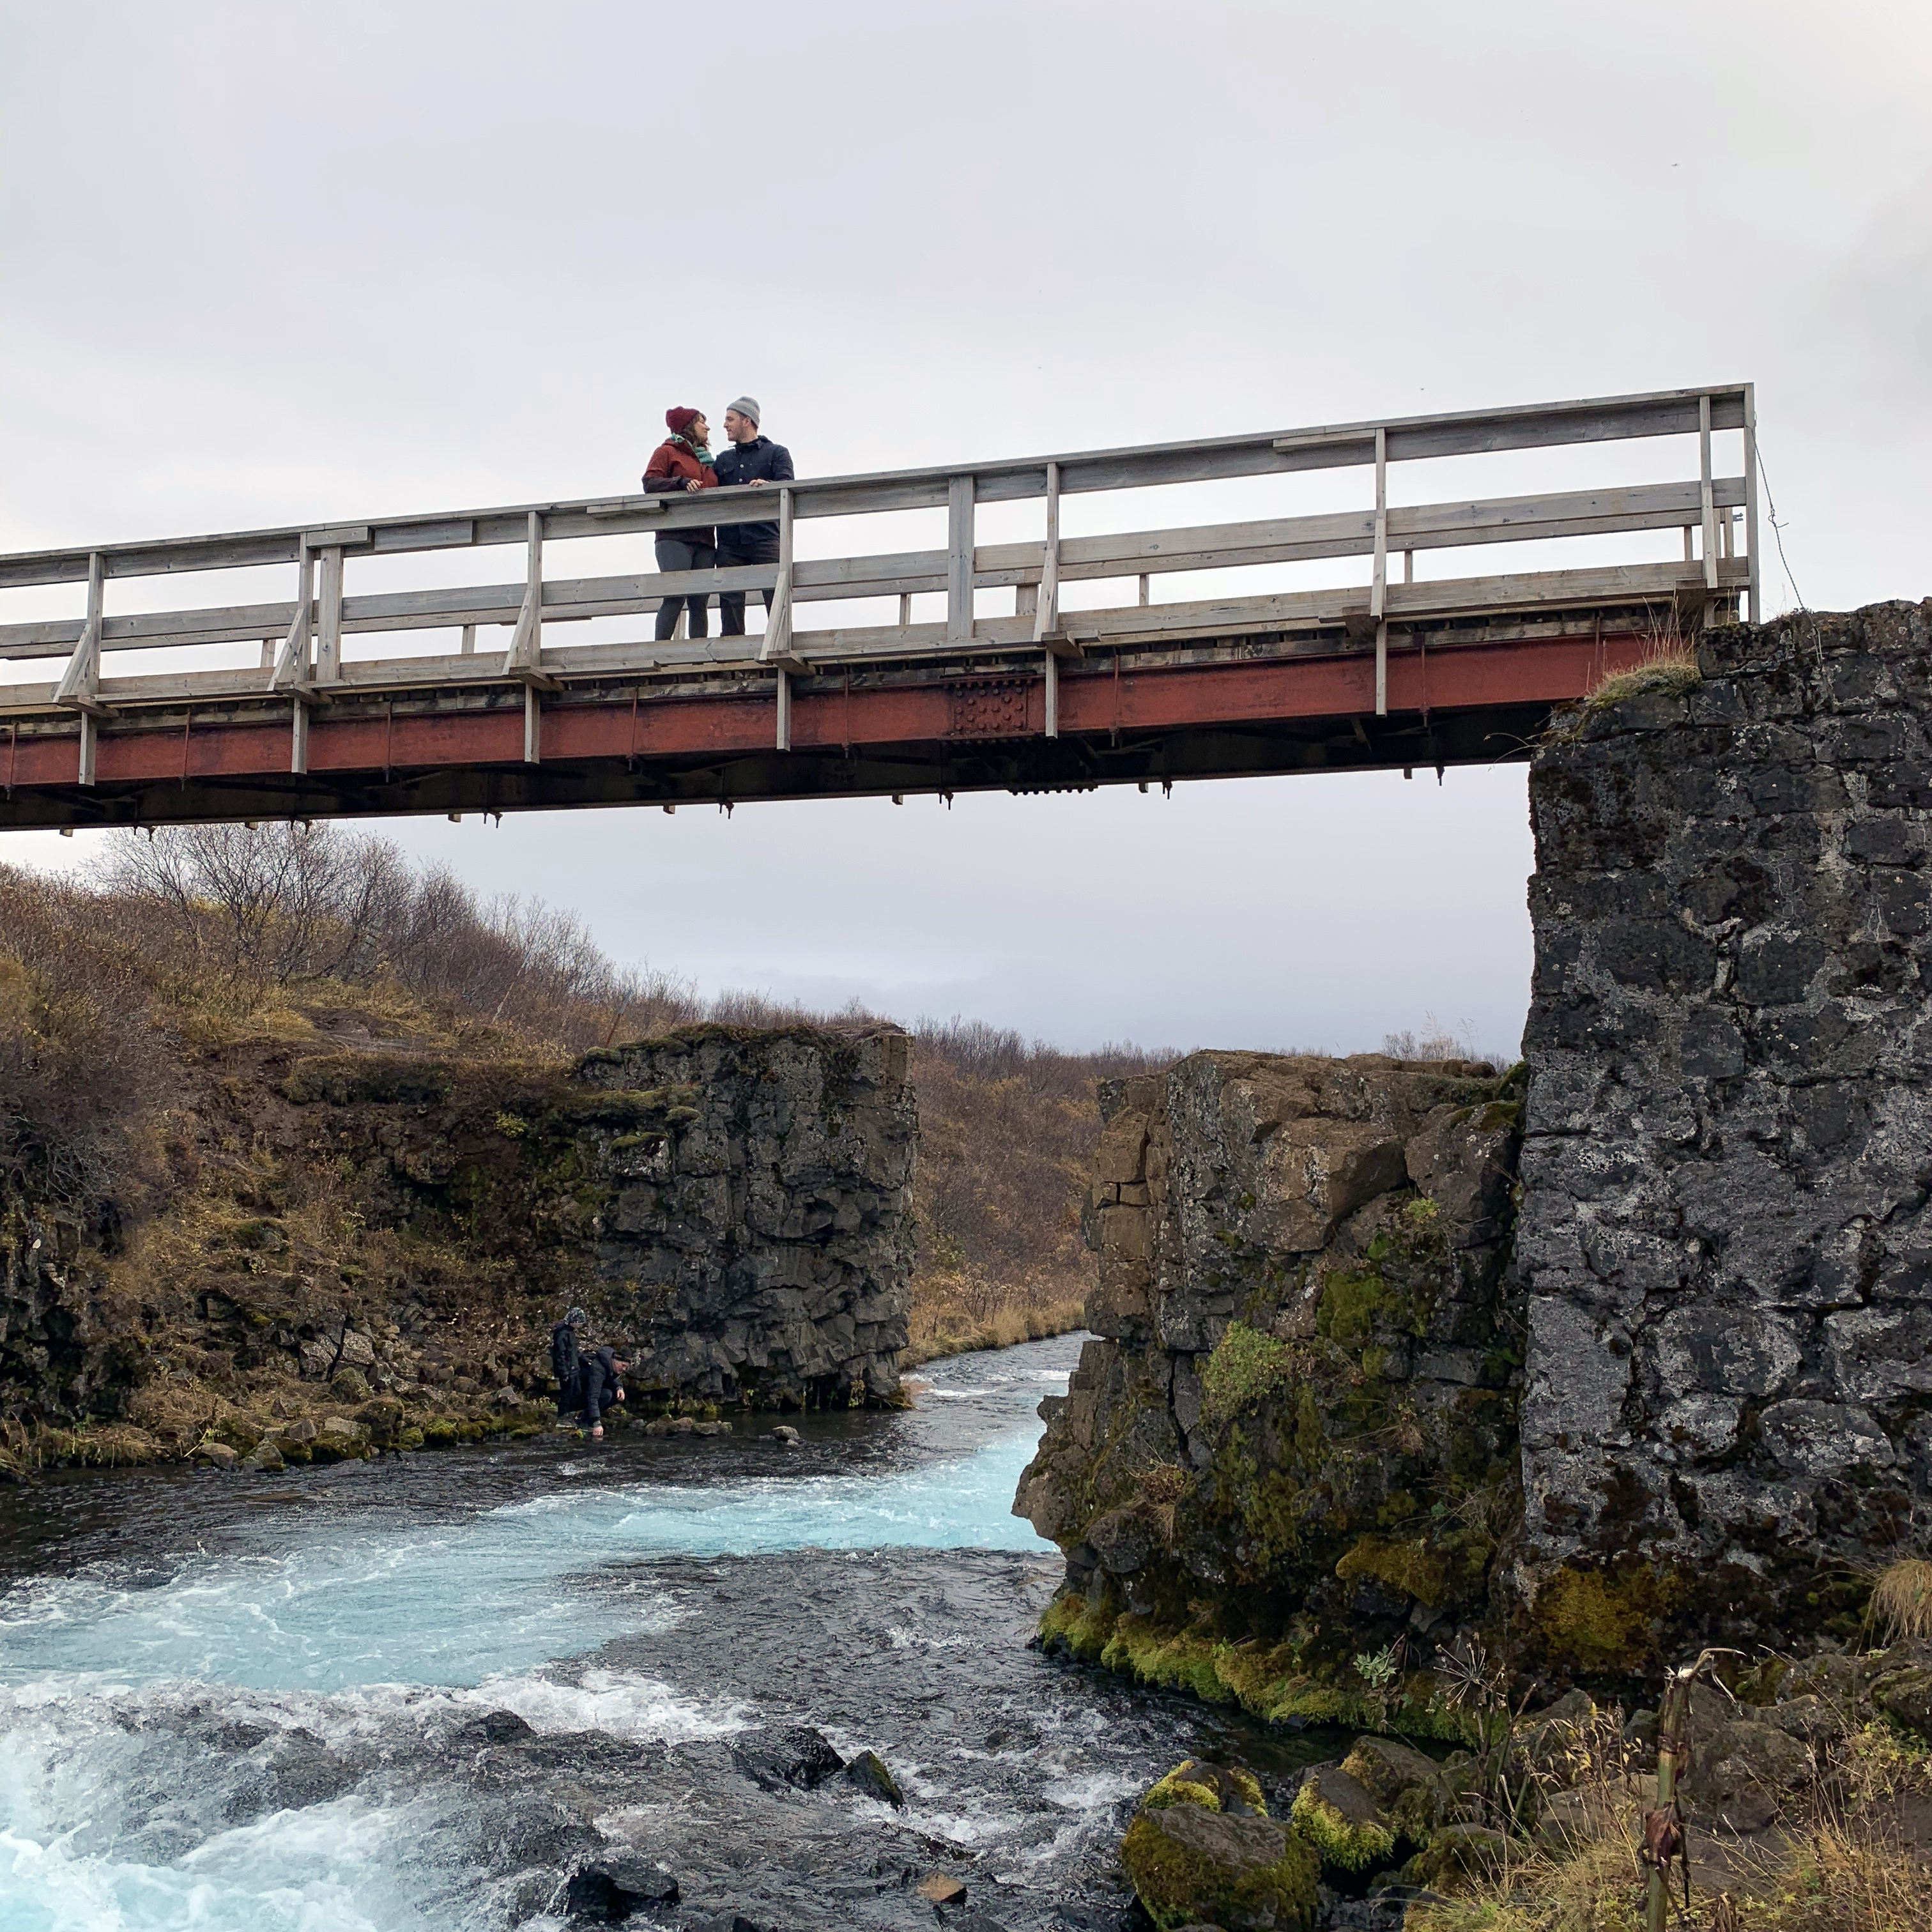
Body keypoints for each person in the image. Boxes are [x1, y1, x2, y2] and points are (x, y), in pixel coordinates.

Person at [710, 397, 795, 638]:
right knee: (729, 598)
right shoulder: (723, 460)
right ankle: (732, 654)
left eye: (730, 419)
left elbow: (788, 485)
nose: (725, 425)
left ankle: (781, 643)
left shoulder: (777, 453)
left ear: (747, 420)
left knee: (776, 593)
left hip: (765, 535)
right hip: (729, 539)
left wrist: (768, 486)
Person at [643, 407, 717, 640]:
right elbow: (650, 483)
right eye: (701, 422)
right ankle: (660, 655)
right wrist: (680, 482)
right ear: (687, 426)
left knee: (700, 601)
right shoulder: (666, 452)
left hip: (705, 538)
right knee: (675, 596)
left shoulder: (708, 461)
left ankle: (698, 659)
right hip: (674, 537)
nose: (707, 427)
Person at [579, 1346, 629, 1440]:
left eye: (626, 1367)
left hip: (588, 1392)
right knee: (607, 1395)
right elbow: (593, 1397)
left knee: (615, 1394)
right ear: (616, 1361)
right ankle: (583, 1420)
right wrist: (596, 1423)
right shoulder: (598, 1369)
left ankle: (587, 1418)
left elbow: (612, 1378)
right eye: (623, 1365)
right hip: (577, 1395)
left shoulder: (610, 1364)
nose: (624, 1369)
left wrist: (619, 1387)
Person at [550, 1307, 588, 1418]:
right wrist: (564, 1372)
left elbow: (574, 1352)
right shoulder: (562, 1334)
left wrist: (585, 1360)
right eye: (580, 1322)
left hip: (574, 1370)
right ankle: (562, 1418)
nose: (581, 1325)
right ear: (574, 1321)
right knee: (567, 1395)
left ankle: (571, 1417)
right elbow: (559, 1355)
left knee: (577, 1394)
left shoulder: (570, 1332)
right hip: (568, 1371)